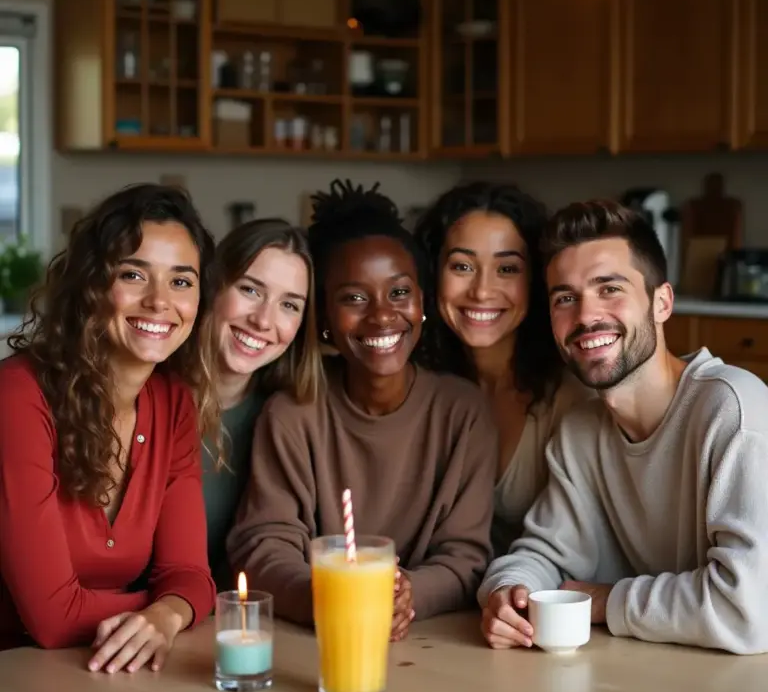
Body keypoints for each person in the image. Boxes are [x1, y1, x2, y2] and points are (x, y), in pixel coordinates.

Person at [478, 200, 768, 655]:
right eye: (565, 298)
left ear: (662, 302)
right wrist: (508, 593)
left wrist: (604, 600)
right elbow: (543, 556)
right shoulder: (580, 433)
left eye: (609, 288)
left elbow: (750, 609)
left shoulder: (733, 410)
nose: (586, 316)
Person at [228, 179, 497, 642]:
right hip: (313, 642)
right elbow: (264, 544)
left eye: (398, 293)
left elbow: (466, 557)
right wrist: (327, 597)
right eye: (353, 298)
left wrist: (408, 592)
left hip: (431, 644)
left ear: (423, 303)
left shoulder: (464, 412)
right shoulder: (292, 413)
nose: (381, 316)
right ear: (324, 320)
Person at [0, 184, 219, 672]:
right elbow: (53, 618)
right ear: (91, 286)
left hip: (101, 673)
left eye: (182, 281)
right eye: (133, 274)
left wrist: (168, 613)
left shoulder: (174, 401)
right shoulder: (17, 396)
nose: (160, 301)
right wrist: (169, 609)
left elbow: (188, 574)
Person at [414, 182, 592, 554]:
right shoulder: (417, 380)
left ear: (537, 280)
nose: (481, 291)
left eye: (507, 268)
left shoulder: (572, 398)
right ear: (432, 274)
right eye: (462, 266)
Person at [205, 219, 322, 588]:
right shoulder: (146, 400)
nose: (263, 320)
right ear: (213, 287)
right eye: (250, 290)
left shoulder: (286, 419)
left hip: (235, 626)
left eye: (289, 305)